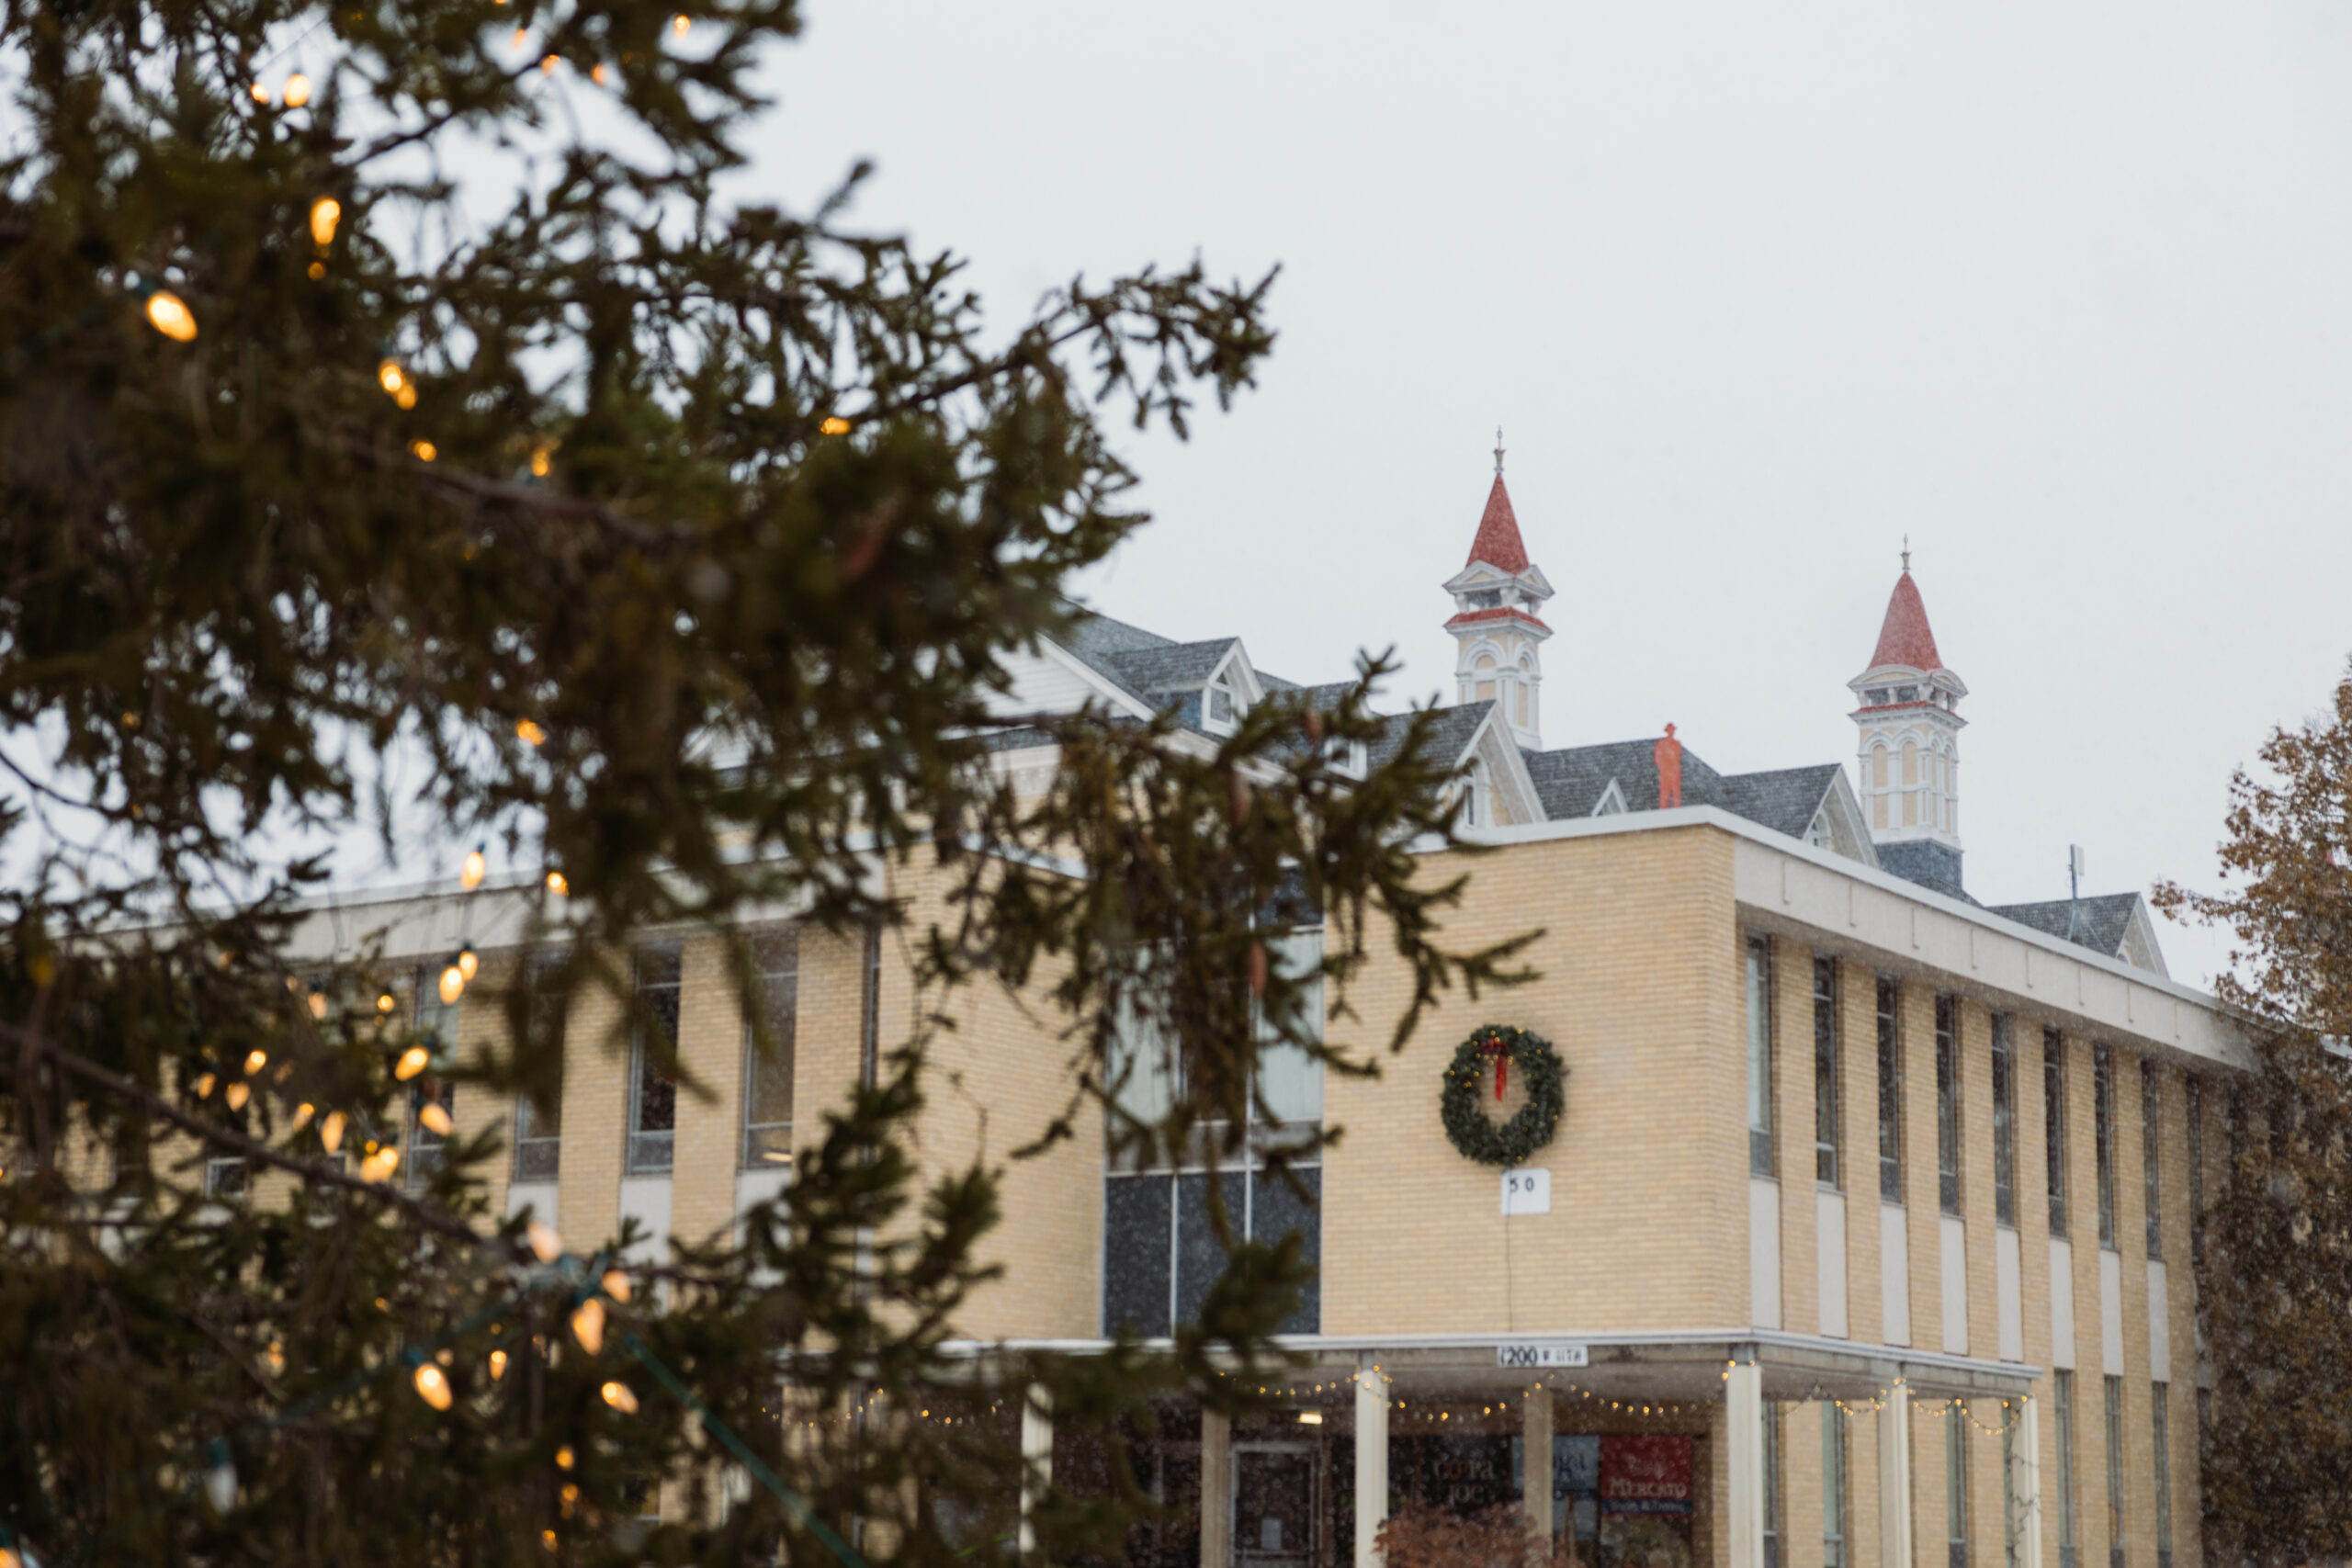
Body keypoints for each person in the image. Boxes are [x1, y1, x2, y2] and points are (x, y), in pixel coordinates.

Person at [1653, 724, 1683, 810]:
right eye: (1670, 730)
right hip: (1665, 770)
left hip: (1674, 770)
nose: (1671, 732)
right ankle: (1663, 808)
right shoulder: (1661, 744)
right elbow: (1657, 757)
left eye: (1672, 730)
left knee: (1675, 791)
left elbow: (1677, 755)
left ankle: (1676, 808)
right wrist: (1663, 766)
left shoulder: (1677, 744)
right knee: (1664, 791)